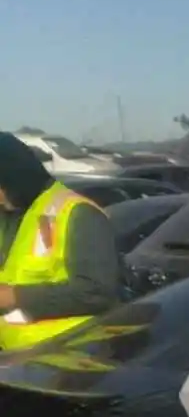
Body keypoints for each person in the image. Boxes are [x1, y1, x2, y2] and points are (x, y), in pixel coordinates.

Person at [0, 131, 122, 352]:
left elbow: (96, 292)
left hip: (70, 358)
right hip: (17, 358)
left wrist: (15, 296)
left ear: (13, 176)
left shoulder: (78, 212)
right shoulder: (11, 216)